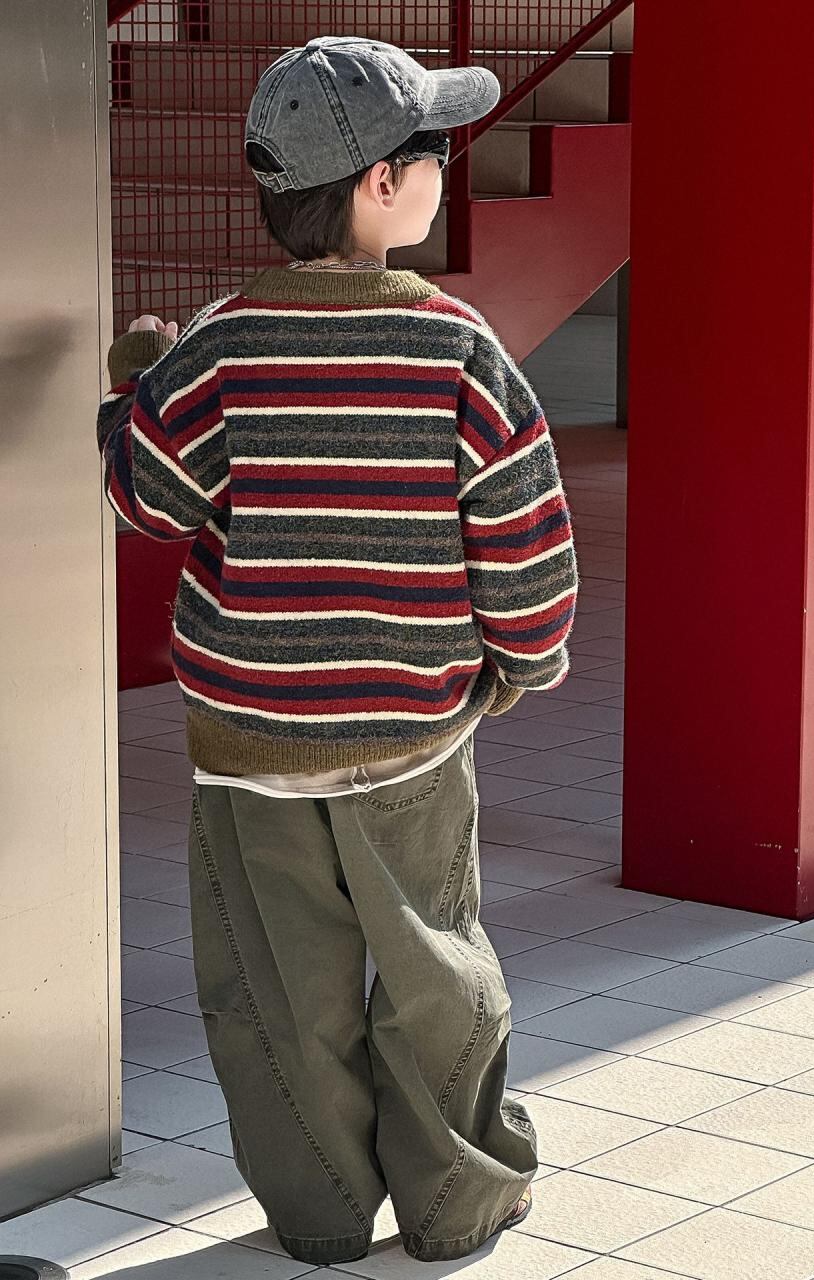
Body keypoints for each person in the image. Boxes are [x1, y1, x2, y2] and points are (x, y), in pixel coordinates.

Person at [96, 35, 579, 1268]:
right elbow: (522, 536)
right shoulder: (459, 348)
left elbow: (148, 494)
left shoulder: (219, 345)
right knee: (435, 975)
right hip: (410, 737)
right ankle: (457, 1200)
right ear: (380, 183)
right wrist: (521, 661)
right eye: (435, 149)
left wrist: (132, 383)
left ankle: (316, 1213)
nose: (445, 169)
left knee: (277, 992)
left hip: (249, 742)